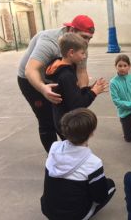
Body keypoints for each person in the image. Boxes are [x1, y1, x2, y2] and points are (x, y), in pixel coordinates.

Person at [17, 15, 95, 152]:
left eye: (89, 38)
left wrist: (81, 98)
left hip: (55, 77)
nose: (87, 42)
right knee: (47, 119)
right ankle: (54, 158)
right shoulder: (50, 42)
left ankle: (73, 151)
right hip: (31, 79)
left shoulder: (80, 45)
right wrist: (42, 88)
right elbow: (31, 70)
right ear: (71, 30)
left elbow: (82, 72)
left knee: (67, 115)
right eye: (84, 36)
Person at [41, 108, 116, 220]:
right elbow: (100, 197)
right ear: (91, 133)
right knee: (110, 185)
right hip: (75, 216)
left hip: (48, 210)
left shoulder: (54, 147)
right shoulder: (93, 163)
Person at [45, 33, 108, 136]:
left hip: (62, 119)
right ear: (71, 53)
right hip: (69, 125)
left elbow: (72, 94)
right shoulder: (66, 75)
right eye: (82, 53)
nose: (84, 57)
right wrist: (94, 92)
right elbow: (77, 104)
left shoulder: (60, 67)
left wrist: (90, 88)